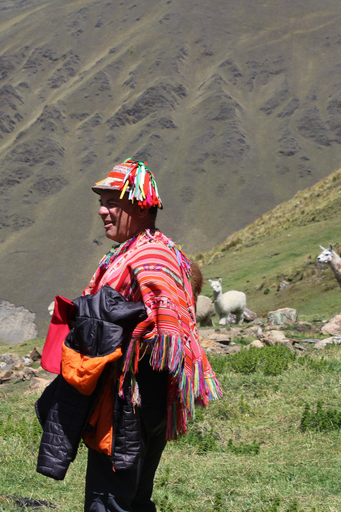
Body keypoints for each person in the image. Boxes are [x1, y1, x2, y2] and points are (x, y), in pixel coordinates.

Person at [81, 159, 222, 511]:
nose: (102, 210)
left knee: (110, 500)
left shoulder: (151, 255)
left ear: (140, 205)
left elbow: (166, 327)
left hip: (130, 399)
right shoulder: (135, 251)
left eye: (112, 202)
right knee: (132, 497)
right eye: (102, 201)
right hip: (134, 396)